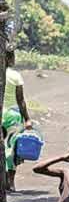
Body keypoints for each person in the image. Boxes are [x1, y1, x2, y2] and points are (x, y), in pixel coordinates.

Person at [3, 46, 33, 192]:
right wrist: (27, 119)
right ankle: (10, 183)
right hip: (11, 115)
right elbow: (20, 100)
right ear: (8, 58)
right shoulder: (14, 75)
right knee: (11, 148)